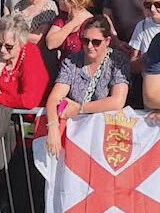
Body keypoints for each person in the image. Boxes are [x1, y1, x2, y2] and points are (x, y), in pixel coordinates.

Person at [41, 13, 130, 156]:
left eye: (96, 42)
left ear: (107, 41)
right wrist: (52, 128)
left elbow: (117, 101)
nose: (89, 46)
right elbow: (54, 98)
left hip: (106, 137)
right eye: (85, 40)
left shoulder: (118, 60)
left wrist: (79, 108)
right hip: (76, 136)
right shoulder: (71, 61)